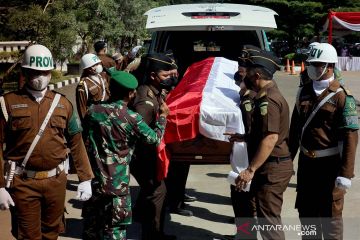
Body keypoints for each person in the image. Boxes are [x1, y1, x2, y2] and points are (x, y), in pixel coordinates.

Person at [0, 44, 94, 239]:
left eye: (44, 72)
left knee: (52, 233)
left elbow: (76, 142)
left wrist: (85, 178)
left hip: (56, 182)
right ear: (24, 72)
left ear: (50, 72)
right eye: (34, 72)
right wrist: (0, 186)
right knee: (28, 235)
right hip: (23, 183)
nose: (39, 77)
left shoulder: (63, 104)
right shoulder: (7, 103)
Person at [82, 70, 169, 240]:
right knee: (114, 232)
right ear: (131, 93)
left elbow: (85, 139)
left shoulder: (93, 112)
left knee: (92, 231)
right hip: (117, 187)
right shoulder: (132, 118)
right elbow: (154, 139)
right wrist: (163, 117)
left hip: (95, 184)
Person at [289, 43, 359, 239]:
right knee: (307, 215)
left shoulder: (342, 97)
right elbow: (295, 130)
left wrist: (346, 174)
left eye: (317, 64)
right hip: (306, 165)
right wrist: (287, 160)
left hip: (330, 166)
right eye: (310, 63)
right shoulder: (303, 91)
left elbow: (351, 138)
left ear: (329, 66)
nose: (312, 68)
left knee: (331, 218)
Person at [235, 49, 293, 240]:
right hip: (268, 164)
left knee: (269, 221)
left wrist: (250, 169)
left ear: (257, 75)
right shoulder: (263, 95)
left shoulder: (269, 99)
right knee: (259, 214)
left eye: (248, 71)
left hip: (273, 166)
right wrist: (244, 137)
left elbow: (270, 138)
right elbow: (262, 133)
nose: (245, 75)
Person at [130, 53, 177, 240]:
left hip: (147, 155)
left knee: (154, 191)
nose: (170, 78)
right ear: (152, 76)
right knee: (158, 192)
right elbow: (141, 135)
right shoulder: (145, 102)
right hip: (143, 156)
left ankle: (146, 224)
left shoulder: (153, 91)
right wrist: (164, 116)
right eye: (166, 76)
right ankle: (152, 235)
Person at [164, 50, 196, 217]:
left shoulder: (173, 83)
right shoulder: (161, 88)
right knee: (174, 172)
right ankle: (175, 203)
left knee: (181, 168)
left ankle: (179, 197)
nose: (174, 72)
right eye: (170, 69)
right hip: (171, 136)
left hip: (179, 136)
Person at [76, 53, 110, 122]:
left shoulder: (103, 76)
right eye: (95, 65)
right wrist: (85, 125)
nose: (98, 66)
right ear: (89, 68)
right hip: (95, 119)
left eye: (98, 64)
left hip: (107, 114)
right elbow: (82, 107)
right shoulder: (83, 84)